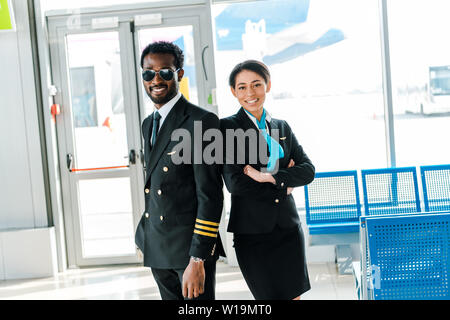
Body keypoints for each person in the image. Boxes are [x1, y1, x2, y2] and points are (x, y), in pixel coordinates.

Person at [134, 41, 225, 300]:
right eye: (148, 73)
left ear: (179, 75)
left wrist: (198, 259)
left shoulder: (202, 121)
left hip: (189, 250)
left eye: (165, 72)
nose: (156, 80)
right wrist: (143, 235)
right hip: (158, 247)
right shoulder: (148, 124)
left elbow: (210, 196)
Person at [220, 60, 315, 300]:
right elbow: (236, 184)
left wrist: (270, 178)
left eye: (256, 85)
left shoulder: (282, 127)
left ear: (268, 86)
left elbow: (308, 170)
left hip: (288, 229)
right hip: (252, 232)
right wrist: (284, 186)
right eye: (242, 87)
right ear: (233, 91)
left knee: (294, 297)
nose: (250, 93)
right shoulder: (226, 129)